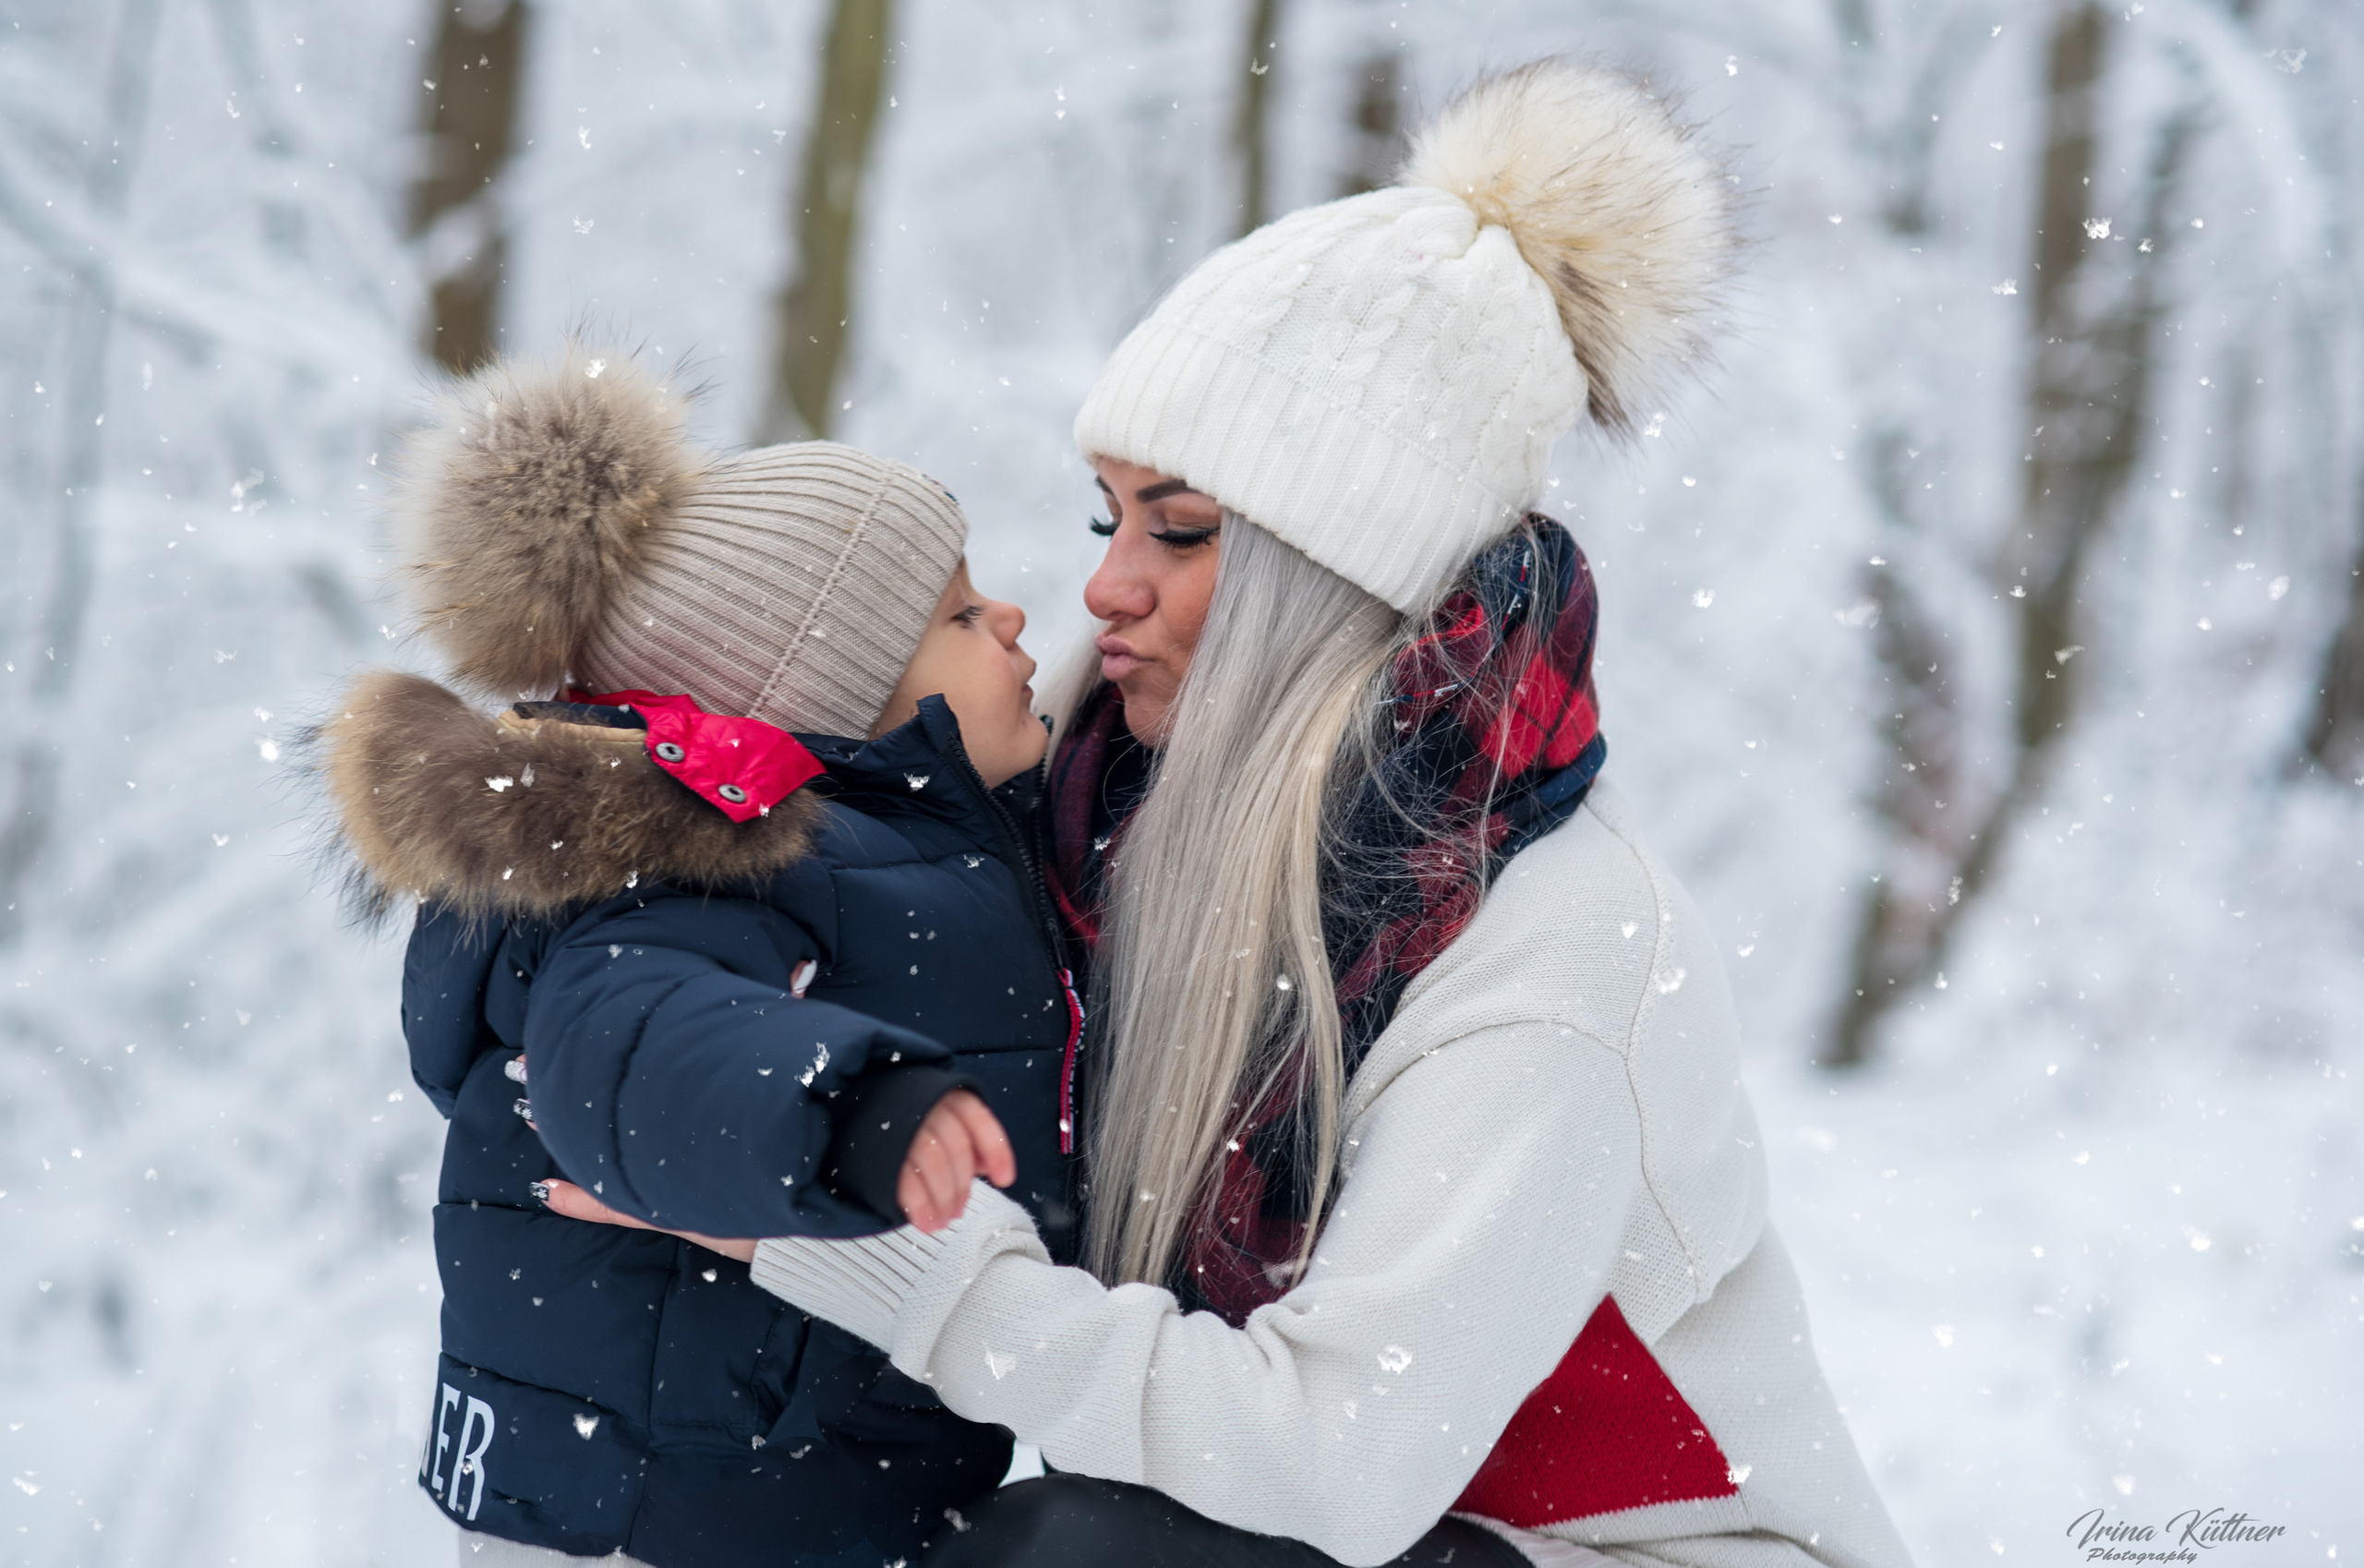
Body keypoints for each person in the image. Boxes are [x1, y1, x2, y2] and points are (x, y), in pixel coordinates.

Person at [552, 60, 1913, 1568]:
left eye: (1182, 530)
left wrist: (887, 1251)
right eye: (1106, 514)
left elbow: (1334, 1461)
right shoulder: (1105, 833)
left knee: (1059, 1557)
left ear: (1333, 574)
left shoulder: (1550, 956)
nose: (1102, 584)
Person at [319, 351, 1074, 1568]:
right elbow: (629, 1037)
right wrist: (852, 1104)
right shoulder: (727, 860)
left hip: (796, 1479)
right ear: (832, 697)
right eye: (960, 615)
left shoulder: (910, 844)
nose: (1015, 620)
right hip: (672, 1507)